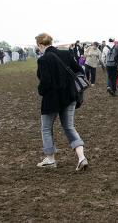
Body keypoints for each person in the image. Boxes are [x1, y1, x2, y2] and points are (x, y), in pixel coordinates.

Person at [35, 33, 88, 171]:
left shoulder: (43, 60)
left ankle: (51, 160)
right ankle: (82, 157)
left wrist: (40, 90)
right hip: (70, 96)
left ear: (40, 45)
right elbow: (79, 70)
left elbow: (45, 82)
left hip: (51, 100)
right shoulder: (66, 54)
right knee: (69, 127)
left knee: (46, 129)